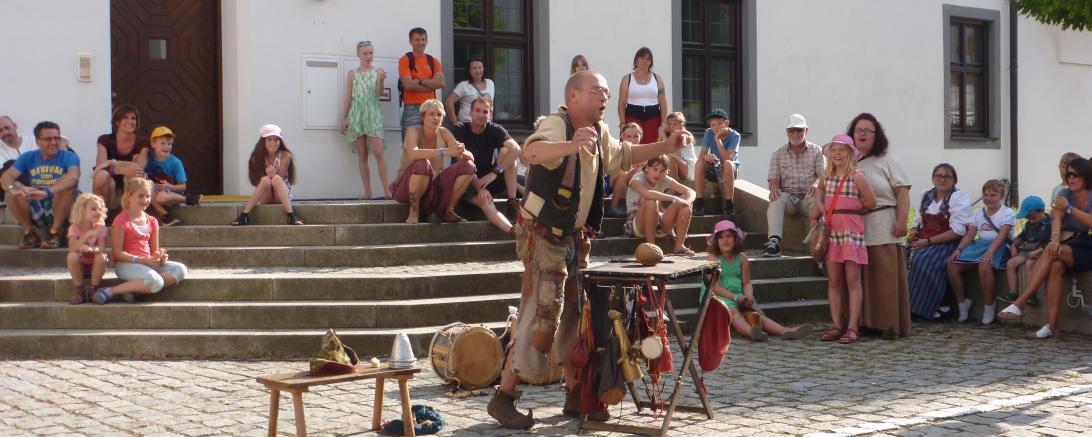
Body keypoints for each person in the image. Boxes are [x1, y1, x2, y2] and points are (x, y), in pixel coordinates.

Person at [488, 70, 691, 429]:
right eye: (596, 90)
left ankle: (576, 396)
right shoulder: (556, 124)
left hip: (575, 240)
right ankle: (504, 398)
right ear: (574, 94)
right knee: (539, 315)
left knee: (576, 319)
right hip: (545, 238)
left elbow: (623, 157)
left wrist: (666, 146)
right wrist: (570, 144)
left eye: (607, 92)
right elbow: (530, 152)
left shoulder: (600, 132)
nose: (604, 97)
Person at [999, 158, 1092, 338]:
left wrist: (1070, 208)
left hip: (1089, 244)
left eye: (1074, 174)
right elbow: (1056, 218)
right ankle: (1051, 325)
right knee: (1055, 265)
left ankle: (1021, 301)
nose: (1070, 178)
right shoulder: (1065, 193)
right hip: (1070, 244)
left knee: (1053, 252)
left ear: (1085, 175)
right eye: (1067, 174)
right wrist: (1056, 239)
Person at [851, 113, 912, 339]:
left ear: (877, 136)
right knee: (862, 279)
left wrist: (901, 221)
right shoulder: (849, 162)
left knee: (884, 277)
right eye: (859, 130)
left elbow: (902, 192)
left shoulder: (886, 161)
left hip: (884, 223)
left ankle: (888, 325)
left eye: (868, 130)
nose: (863, 134)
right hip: (856, 227)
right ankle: (865, 322)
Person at [701, 220, 813, 341]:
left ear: (735, 238)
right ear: (716, 241)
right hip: (716, 296)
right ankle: (751, 332)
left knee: (756, 310)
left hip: (737, 294)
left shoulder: (742, 258)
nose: (725, 240)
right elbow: (715, 287)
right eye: (721, 237)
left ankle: (784, 331)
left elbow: (747, 282)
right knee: (735, 313)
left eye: (728, 236)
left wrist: (748, 295)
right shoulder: (713, 259)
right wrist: (735, 298)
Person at [812, 135, 876, 343]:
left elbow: (870, 201)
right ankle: (836, 325)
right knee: (834, 281)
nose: (837, 154)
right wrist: (821, 205)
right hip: (832, 232)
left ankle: (852, 327)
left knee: (853, 281)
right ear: (829, 153)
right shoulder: (825, 175)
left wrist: (850, 210)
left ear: (850, 153)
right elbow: (819, 193)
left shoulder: (857, 176)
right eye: (834, 150)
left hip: (850, 232)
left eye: (842, 150)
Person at [94, 178, 187, 304]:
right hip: (126, 265)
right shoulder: (121, 220)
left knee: (180, 269)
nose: (145, 200)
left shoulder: (153, 221)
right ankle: (110, 291)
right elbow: (117, 253)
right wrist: (142, 260)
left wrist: (159, 257)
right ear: (129, 196)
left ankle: (134, 289)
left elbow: (154, 251)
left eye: (148, 196)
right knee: (156, 281)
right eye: (141, 196)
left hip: (147, 264)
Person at [390, 99, 475, 224]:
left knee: (469, 166)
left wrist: (461, 151)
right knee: (422, 164)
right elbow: (413, 153)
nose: (436, 118)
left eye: (439, 114)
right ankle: (414, 211)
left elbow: (469, 157)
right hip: (406, 187)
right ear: (423, 116)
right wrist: (443, 151)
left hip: (434, 186)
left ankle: (448, 210)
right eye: (431, 114)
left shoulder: (444, 132)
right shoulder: (413, 131)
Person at [907, 163, 972, 320]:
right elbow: (918, 221)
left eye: (946, 176)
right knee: (902, 256)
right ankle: (907, 306)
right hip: (925, 241)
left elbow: (958, 231)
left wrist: (928, 242)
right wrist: (913, 233)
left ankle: (928, 307)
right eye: (938, 176)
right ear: (933, 178)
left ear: (954, 180)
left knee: (922, 261)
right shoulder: (926, 195)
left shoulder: (958, 197)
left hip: (947, 244)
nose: (942, 179)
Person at [1, 121, 80, 249]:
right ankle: (30, 234)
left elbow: (73, 177)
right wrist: (13, 190)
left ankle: (54, 233)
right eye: (48, 139)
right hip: (38, 206)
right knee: (11, 192)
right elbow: (6, 177)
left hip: (63, 207)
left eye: (56, 138)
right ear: (37, 142)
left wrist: (46, 192)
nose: (54, 142)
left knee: (66, 186)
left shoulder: (69, 156)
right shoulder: (28, 157)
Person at [946, 179, 1014, 325]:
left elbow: (1002, 236)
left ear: (1001, 196)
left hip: (998, 246)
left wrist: (989, 253)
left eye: (993, 195)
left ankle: (989, 306)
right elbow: (970, 235)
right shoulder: (978, 213)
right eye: (986, 194)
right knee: (952, 264)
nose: (988, 198)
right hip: (979, 245)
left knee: (984, 265)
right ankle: (962, 303)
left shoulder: (1007, 213)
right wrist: (959, 250)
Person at [450, 96, 521, 232]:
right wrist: (480, 188)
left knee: (510, 156)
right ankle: (513, 231)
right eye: (477, 110)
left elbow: (516, 149)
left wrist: (494, 173)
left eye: (485, 111)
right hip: (465, 182)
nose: (481, 115)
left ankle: (512, 203)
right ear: (470, 112)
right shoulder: (459, 129)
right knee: (485, 201)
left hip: (487, 179)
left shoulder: (494, 129)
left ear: (490, 114)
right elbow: (462, 163)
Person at [764, 114, 824, 257]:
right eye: (792, 130)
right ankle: (774, 243)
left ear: (806, 131)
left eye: (799, 130)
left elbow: (823, 175)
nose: (795, 133)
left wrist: (816, 184)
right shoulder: (777, 154)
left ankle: (818, 247)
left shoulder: (817, 150)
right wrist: (774, 190)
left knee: (818, 200)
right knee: (775, 200)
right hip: (788, 197)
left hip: (807, 196)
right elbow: (773, 178)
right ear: (787, 132)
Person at [342, 40, 392, 200]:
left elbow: (378, 93)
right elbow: (348, 97)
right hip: (356, 114)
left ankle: (387, 191)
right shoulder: (352, 74)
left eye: (370, 52)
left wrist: (382, 80)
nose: (368, 56)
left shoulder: (377, 72)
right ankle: (368, 192)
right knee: (362, 155)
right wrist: (344, 117)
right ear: (358, 54)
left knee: (378, 152)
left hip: (373, 112)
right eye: (365, 53)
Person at [230, 124, 303, 226]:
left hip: (280, 195)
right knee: (265, 180)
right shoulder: (257, 157)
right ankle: (244, 215)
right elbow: (257, 181)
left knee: (276, 178)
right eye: (269, 139)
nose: (273, 143)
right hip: (266, 196)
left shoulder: (286, 155)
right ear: (263, 141)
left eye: (276, 139)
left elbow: (280, 177)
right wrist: (268, 176)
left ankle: (291, 215)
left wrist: (272, 175)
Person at [624, 155, 696, 256]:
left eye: (662, 171)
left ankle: (679, 247)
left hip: (658, 221)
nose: (658, 174)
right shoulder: (637, 179)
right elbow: (648, 194)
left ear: (666, 171)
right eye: (655, 169)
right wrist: (675, 199)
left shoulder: (664, 178)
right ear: (647, 168)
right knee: (651, 201)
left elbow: (691, 191)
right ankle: (651, 247)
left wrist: (687, 202)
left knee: (686, 204)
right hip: (637, 224)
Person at [93, 104, 150, 211]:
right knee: (101, 175)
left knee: (136, 172)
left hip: (130, 183)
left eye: (133, 118)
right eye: (125, 118)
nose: (130, 121)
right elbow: (101, 165)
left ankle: (131, 214)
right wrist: (121, 169)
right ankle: (102, 213)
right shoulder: (104, 140)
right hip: (109, 186)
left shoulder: (142, 142)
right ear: (117, 122)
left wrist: (110, 162)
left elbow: (141, 165)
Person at [1001, 195, 1050, 305]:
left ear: (1042, 211)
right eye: (1028, 218)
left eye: (1033, 217)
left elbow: (1049, 244)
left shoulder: (1049, 225)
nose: (1031, 220)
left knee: (1029, 264)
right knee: (1010, 263)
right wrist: (1014, 246)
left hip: (1041, 252)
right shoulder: (1029, 224)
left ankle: (1031, 294)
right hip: (1028, 251)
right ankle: (1013, 293)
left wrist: (1037, 252)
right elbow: (1022, 237)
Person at [398, 28, 445, 141]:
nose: (421, 42)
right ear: (411, 42)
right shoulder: (405, 59)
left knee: (430, 144)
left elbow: (441, 83)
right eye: (417, 40)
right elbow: (408, 85)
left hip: (431, 108)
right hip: (412, 108)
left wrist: (419, 81)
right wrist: (431, 84)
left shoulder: (434, 61)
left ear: (427, 40)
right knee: (409, 146)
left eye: (423, 39)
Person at [693, 109, 741, 218]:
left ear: (726, 123)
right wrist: (708, 156)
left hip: (728, 170)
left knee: (728, 163)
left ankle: (729, 204)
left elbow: (727, 158)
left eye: (719, 123)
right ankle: (699, 202)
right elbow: (702, 155)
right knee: (700, 163)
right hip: (714, 166)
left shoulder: (735, 136)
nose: (716, 127)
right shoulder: (708, 132)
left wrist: (717, 138)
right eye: (713, 124)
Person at [616, 47, 666, 145]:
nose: (645, 61)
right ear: (636, 60)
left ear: (651, 62)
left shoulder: (657, 78)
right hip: (632, 116)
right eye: (642, 58)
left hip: (653, 117)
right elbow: (621, 103)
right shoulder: (627, 78)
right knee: (631, 146)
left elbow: (663, 101)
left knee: (652, 146)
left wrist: (663, 123)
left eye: (648, 59)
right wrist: (622, 123)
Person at [65, 193, 108, 305]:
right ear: (82, 210)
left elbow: (102, 248)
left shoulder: (101, 228)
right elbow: (72, 248)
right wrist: (87, 235)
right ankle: (80, 292)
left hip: (96, 266)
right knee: (72, 256)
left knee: (102, 256)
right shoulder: (74, 228)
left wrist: (93, 249)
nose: (97, 212)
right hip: (80, 267)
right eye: (93, 209)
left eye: (99, 209)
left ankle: (94, 290)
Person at [144, 126, 188, 227]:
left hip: (170, 195)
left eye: (169, 144)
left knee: (161, 197)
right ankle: (166, 216)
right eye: (162, 143)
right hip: (153, 192)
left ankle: (186, 199)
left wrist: (169, 186)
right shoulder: (147, 158)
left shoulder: (176, 162)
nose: (167, 146)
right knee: (149, 185)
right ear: (153, 143)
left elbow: (183, 186)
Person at [605, 123, 644, 218]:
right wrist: (632, 165)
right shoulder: (617, 149)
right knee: (622, 172)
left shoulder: (643, 152)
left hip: (625, 185)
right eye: (628, 136)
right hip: (607, 183)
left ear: (641, 137)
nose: (632, 140)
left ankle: (637, 207)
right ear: (622, 137)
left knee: (642, 170)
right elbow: (611, 168)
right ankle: (613, 207)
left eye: (636, 136)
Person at [0, 116, 37, 209]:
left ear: (15, 126)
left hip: (40, 178)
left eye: (7, 128)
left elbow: (60, 141)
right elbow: (3, 176)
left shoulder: (34, 141)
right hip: (16, 186)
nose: (5, 132)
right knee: (8, 166)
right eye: (0, 131)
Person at [445, 57, 495, 124]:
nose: (478, 70)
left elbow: (491, 104)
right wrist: (455, 122)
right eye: (474, 68)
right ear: (469, 71)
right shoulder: (463, 85)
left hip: (485, 124)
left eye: (480, 67)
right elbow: (449, 101)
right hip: (467, 124)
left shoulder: (490, 83)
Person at [658, 112, 696, 180]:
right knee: (659, 157)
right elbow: (658, 148)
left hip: (689, 169)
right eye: (669, 124)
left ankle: (672, 186)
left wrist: (663, 134)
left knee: (670, 156)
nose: (671, 126)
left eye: (675, 124)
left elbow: (669, 148)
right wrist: (661, 136)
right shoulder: (669, 136)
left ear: (681, 125)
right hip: (678, 166)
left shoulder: (684, 136)